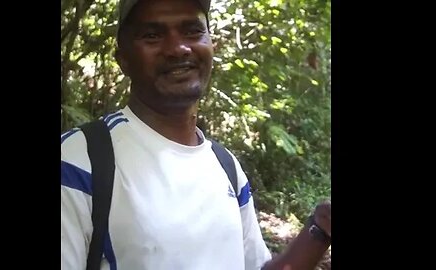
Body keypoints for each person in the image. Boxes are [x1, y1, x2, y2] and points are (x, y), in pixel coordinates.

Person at [61, 0, 331, 269]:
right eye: (152, 35)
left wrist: (320, 227)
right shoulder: (78, 161)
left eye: (192, 31)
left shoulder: (225, 166)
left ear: (213, 47)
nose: (178, 48)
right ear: (124, 60)